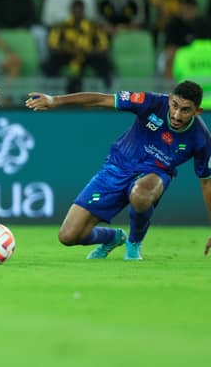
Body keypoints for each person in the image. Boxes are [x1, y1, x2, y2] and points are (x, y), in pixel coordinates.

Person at [25, 81, 211, 260]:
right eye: (174, 105)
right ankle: (113, 238)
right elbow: (101, 99)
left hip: (154, 174)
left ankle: (134, 242)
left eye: (185, 110)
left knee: (141, 194)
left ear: (197, 111)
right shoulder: (151, 102)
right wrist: (55, 101)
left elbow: (207, 183)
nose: (177, 115)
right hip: (117, 166)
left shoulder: (201, 139)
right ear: (169, 99)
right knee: (68, 236)